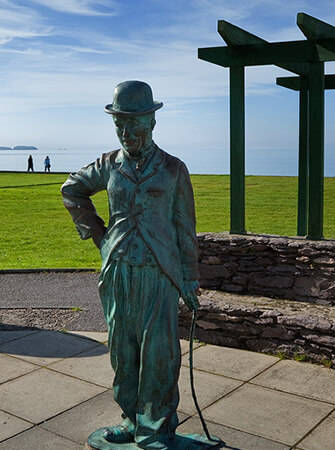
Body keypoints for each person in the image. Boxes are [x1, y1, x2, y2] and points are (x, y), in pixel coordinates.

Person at [61, 81, 202, 449]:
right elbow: (71, 189)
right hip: (119, 271)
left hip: (159, 273)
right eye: (119, 124)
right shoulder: (109, 164)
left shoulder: (173, 169)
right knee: (122, 352)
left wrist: (189, 278)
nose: (126, 133)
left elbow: (185, 228)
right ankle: (131, 418)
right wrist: (100, 236)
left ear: (151, 121)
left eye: (133, 124)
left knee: (159, 355)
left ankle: (156, 427)